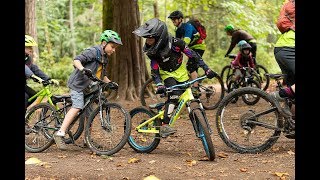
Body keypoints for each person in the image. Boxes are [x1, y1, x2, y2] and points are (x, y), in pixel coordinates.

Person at [132, 18, 217, 138]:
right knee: (174, 96)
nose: (148, 41)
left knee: (185, 98)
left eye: (150, 38)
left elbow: (193, 55)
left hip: (182, 73)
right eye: (147, 38)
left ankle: (163, 108)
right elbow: (155, 71)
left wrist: (207, 69)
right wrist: (159, 84)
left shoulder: (177, 43)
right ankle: (164, 125)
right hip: (167, 75)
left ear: (159, 36)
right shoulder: (152, 53)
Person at [53, 30, 123, 150]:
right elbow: (76, 60)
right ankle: (60, 133)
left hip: (88, 88)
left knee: (89, 113)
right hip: (78, 85)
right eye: (113, 46)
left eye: (115, 48)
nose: (114, 50)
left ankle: (87, 139)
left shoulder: (104, 58)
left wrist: (110, 83)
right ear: (104, 43)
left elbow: (102, 75)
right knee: (78, 106)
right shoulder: (93, 51)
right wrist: (82, 69)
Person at [167, 10, 207, 93]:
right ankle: (196, 84)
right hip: (190, 48)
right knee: (186, 65)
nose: (173, 20)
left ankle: (195, 88)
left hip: (199, 47)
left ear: (180, 19)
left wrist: (179, 48)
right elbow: (176, 43)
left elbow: (186, 41)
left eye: (175, 19)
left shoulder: (188, 26)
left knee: (190, 66)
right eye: (172, 19)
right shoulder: (178, 30)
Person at [270, 0, 295, 115]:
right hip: (289, 48)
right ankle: (277, 96)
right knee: (290, 90)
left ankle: (289, 123)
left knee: (292, 89)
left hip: (281, 48)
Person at [25, 35, 59, 110]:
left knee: (33, 96)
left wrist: (48, 79)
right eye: (29, 47)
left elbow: (34, 69)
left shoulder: (27, 58)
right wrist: (32, 76)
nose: (31, 49)